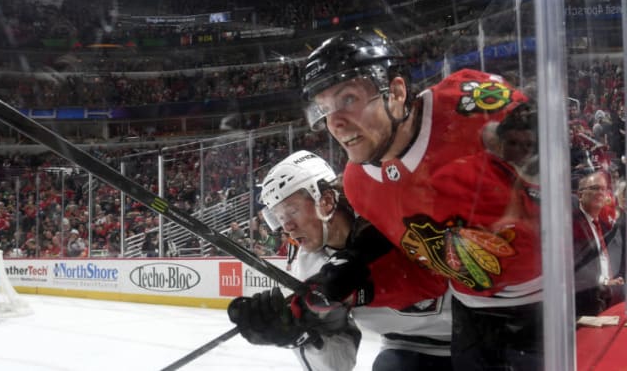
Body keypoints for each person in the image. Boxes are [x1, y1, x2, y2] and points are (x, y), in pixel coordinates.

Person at [301, 28, 538, 370]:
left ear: (395, 92)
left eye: (348, 98)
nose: (335, 122)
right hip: (475, 319)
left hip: (563, 296)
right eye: (324, 110)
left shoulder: (467, 102)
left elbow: (570, 178)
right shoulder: (359, 185)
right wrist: (360, 283)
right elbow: (430, 273)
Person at [228, 150, 452, 370]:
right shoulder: (309, 266)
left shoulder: (386, 212)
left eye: (292, 211)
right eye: (279, 217)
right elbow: (339, 363)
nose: (287, 227)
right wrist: (300, 336)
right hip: (406, 350)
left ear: (324, 201)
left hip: (475, 325)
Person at [573, 169, 625, 317]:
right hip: (585, 301)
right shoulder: (574, 224)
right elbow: (576, 264)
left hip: (607, 297)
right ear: (580, 195)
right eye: (595, 188)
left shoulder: (603, 225)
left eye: (604, 189)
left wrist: (615, 279)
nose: (601, 192)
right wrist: (603, 280)